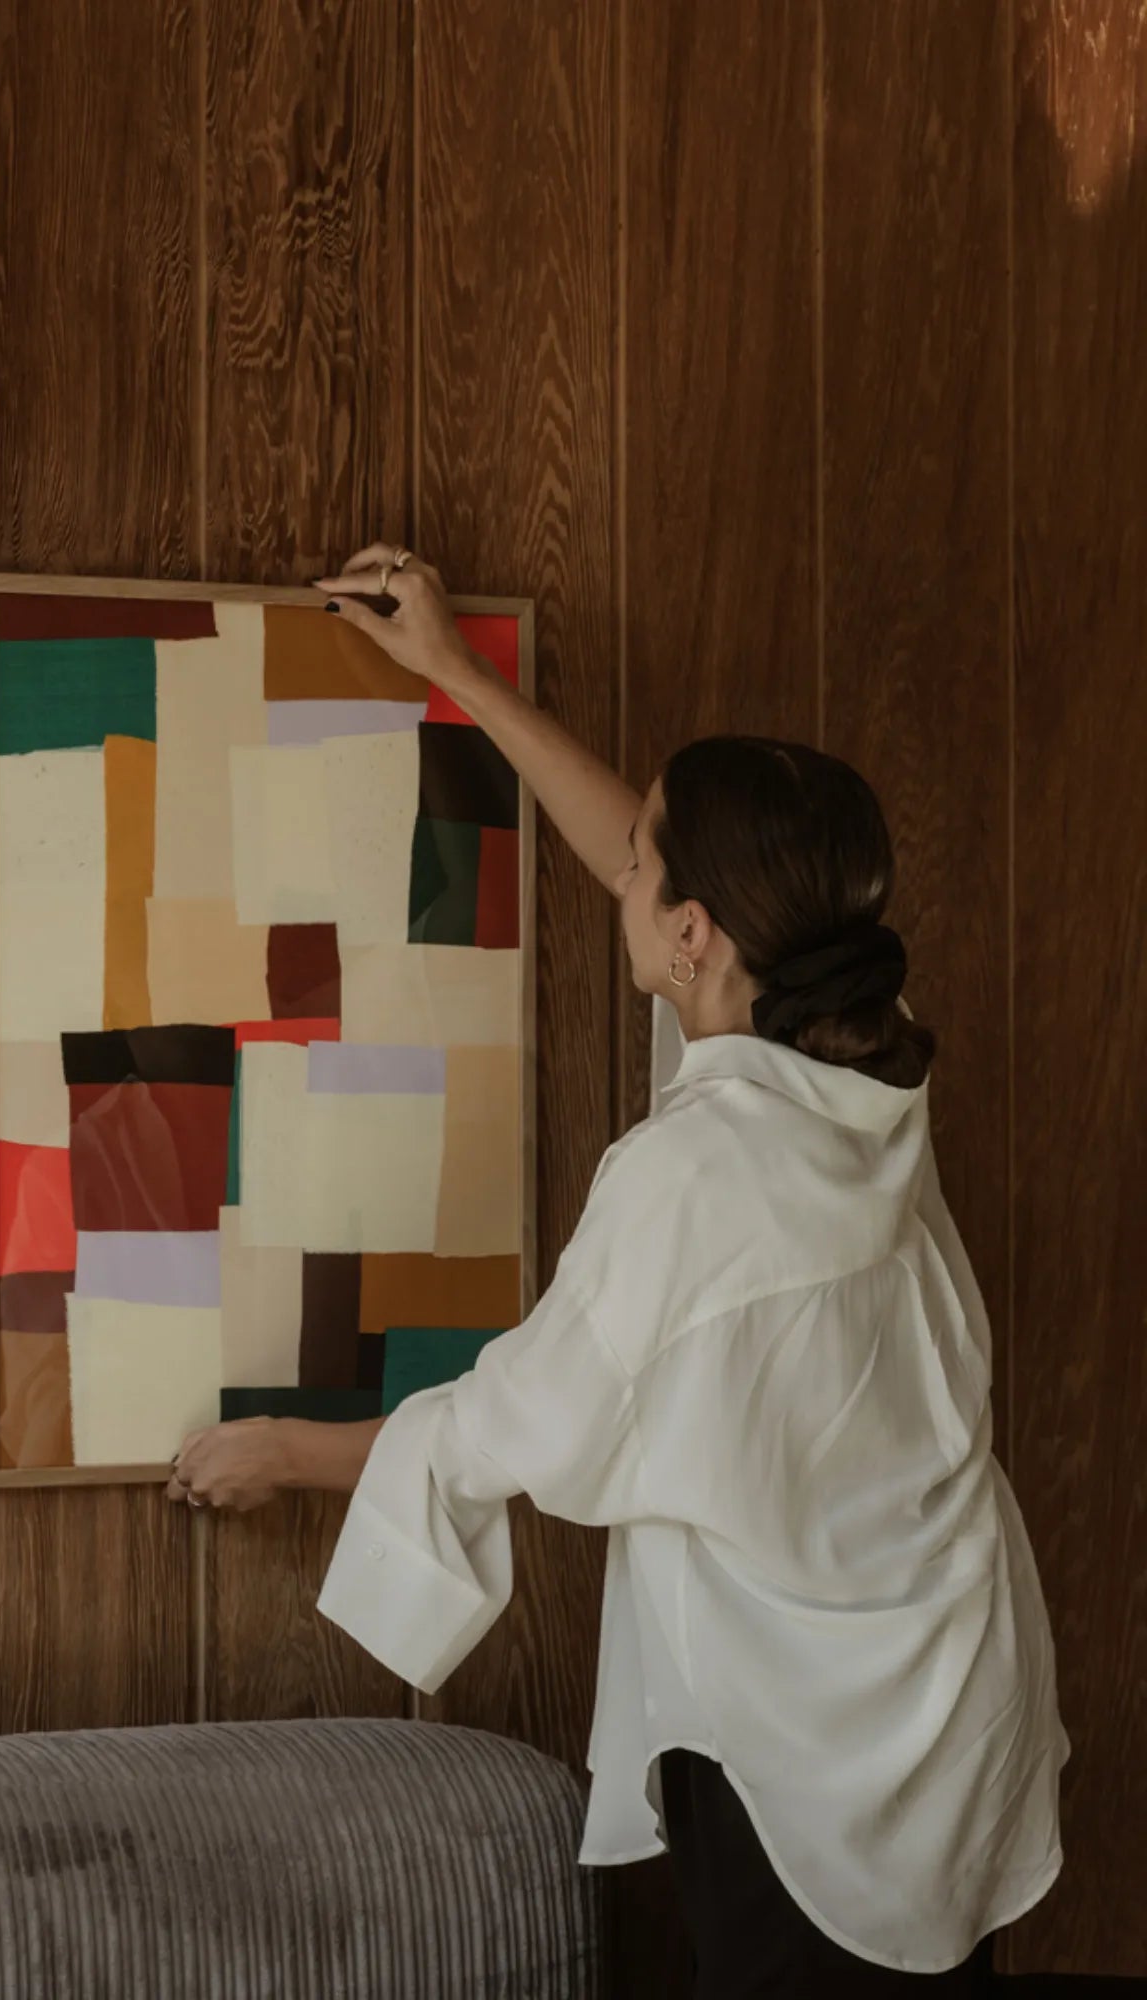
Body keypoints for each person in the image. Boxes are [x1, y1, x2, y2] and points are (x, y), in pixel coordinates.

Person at [168, 544, 1067, 1996]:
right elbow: (646, 871)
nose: (621, 865)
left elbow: (506, 1426)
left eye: (646, 859)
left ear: (696, 937)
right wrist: (456, 672)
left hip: (813, 1756)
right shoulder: (856, 1045)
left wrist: (279, 1447)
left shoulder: (691, 1175)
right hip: (958, 1688)